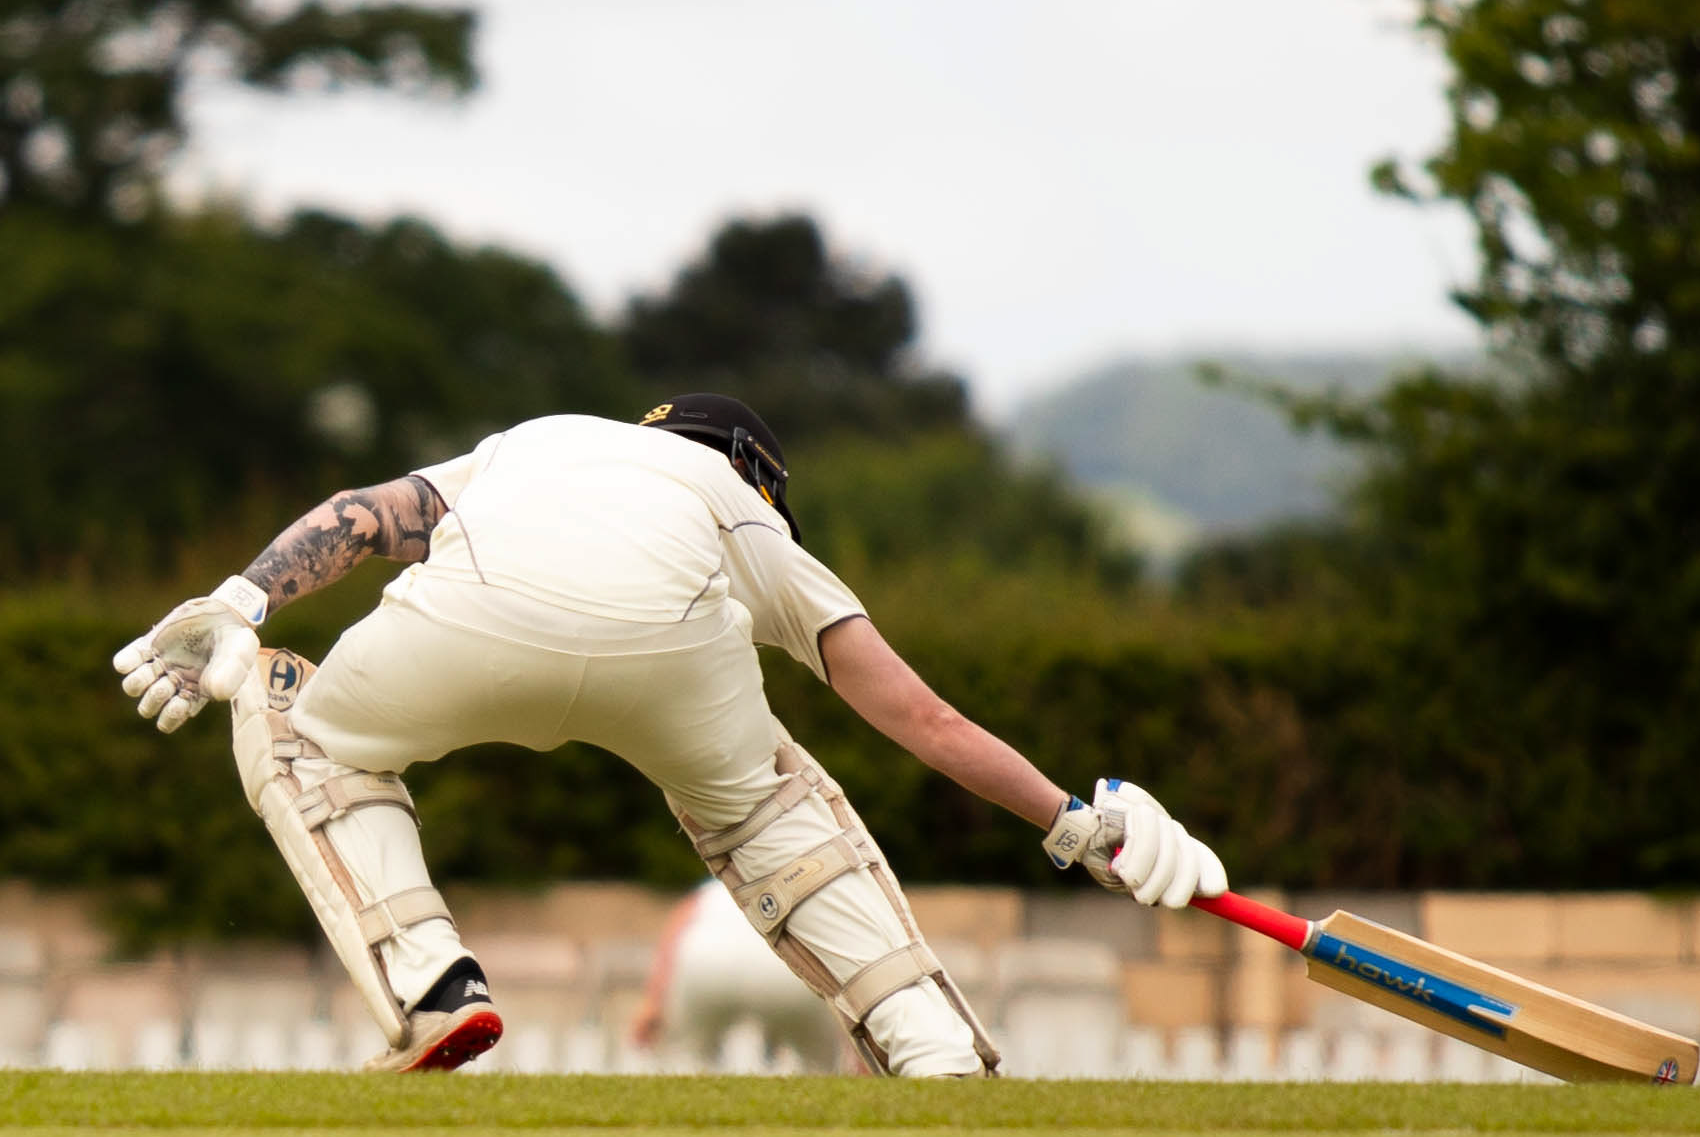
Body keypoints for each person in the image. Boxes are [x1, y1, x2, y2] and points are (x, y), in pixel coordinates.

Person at [113, 395, 1227, 1074]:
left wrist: (243, 602)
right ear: (761, 473)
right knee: (767, 799)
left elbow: (363, 517)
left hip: (470, 617)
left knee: (298, 720)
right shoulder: (742, 504)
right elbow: (921, 717)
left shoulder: (535, 443)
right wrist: (1080, 825)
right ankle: (932, 1047)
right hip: (676, 667)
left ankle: (434, 987)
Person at [631, 877, 848, 1072]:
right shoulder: (807, 885)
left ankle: (693, 1104)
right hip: (785, 970)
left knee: (691, 1056)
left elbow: (676, 932)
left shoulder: (712, 889)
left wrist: (653, 1002)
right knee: (818, 1061)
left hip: (707, 962)